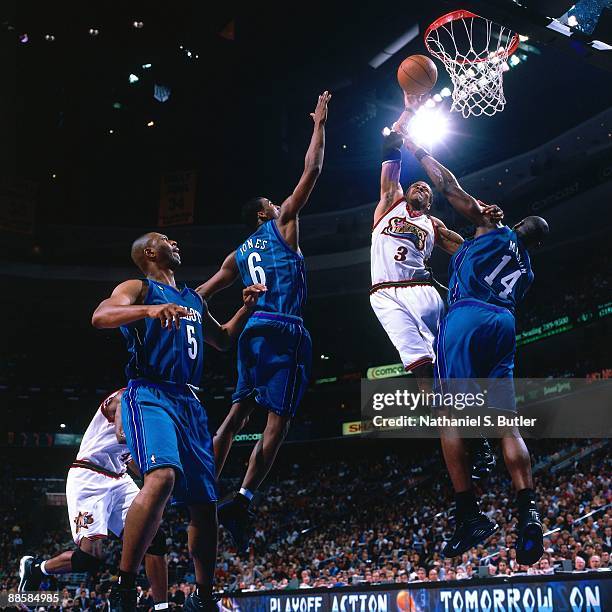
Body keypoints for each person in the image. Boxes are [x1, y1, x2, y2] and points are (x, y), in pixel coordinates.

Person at [398, 121, 549, 565]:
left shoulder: (490, 225)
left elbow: (447, 184)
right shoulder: (528, 271)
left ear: (516, 223)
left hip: (467, 317)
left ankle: (468, 512)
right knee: (508, 422)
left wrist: (416, 147)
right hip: (504, 323)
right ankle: (529, 510)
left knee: (447, 414)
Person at [91, 232, 264, 611]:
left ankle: (203, 597)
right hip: (150, 391)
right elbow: (101, 316)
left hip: (190, 400)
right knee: (163, 476)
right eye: (167, 239)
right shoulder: (138, 287)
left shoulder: (192, 298)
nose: (177, 243)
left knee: (205, 501)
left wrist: (246, 308)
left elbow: (221, 340)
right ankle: (123, 587)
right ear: (150, 252)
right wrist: (148, 310)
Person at [195, 92, 331, 550]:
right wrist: (318, 125)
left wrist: (166, 314)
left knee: (235, 415)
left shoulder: (236, 255)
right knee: (278, 422)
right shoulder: (282, 225)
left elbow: (199, 296)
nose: (279, 204)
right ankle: (244, 498)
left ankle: (204, 488)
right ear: (263, 213)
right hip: (284, 328)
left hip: (250, 330)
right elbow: (312, 171)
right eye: (272, 203)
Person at [372, 93, 500, 479]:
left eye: (428, 190)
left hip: (424, 291)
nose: (423, 189)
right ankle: (450, 426)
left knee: (451, 368)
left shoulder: (436, 227)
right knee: (421, 369)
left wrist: (492, 227)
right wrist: (409, 108)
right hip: (383, 294)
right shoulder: (388, 202)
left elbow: (471, 251)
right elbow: (392, 143)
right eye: (419, 187)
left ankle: (476, 441)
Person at [18, 390, 168, 610]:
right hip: (89, 477)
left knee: (154, 537)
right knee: (90, 558)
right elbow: (122, 435)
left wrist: (156, 476)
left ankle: (162, 607)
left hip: (119, 476)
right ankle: (36, 568)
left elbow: (132, 459)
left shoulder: (154, 406)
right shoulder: (125, 397)